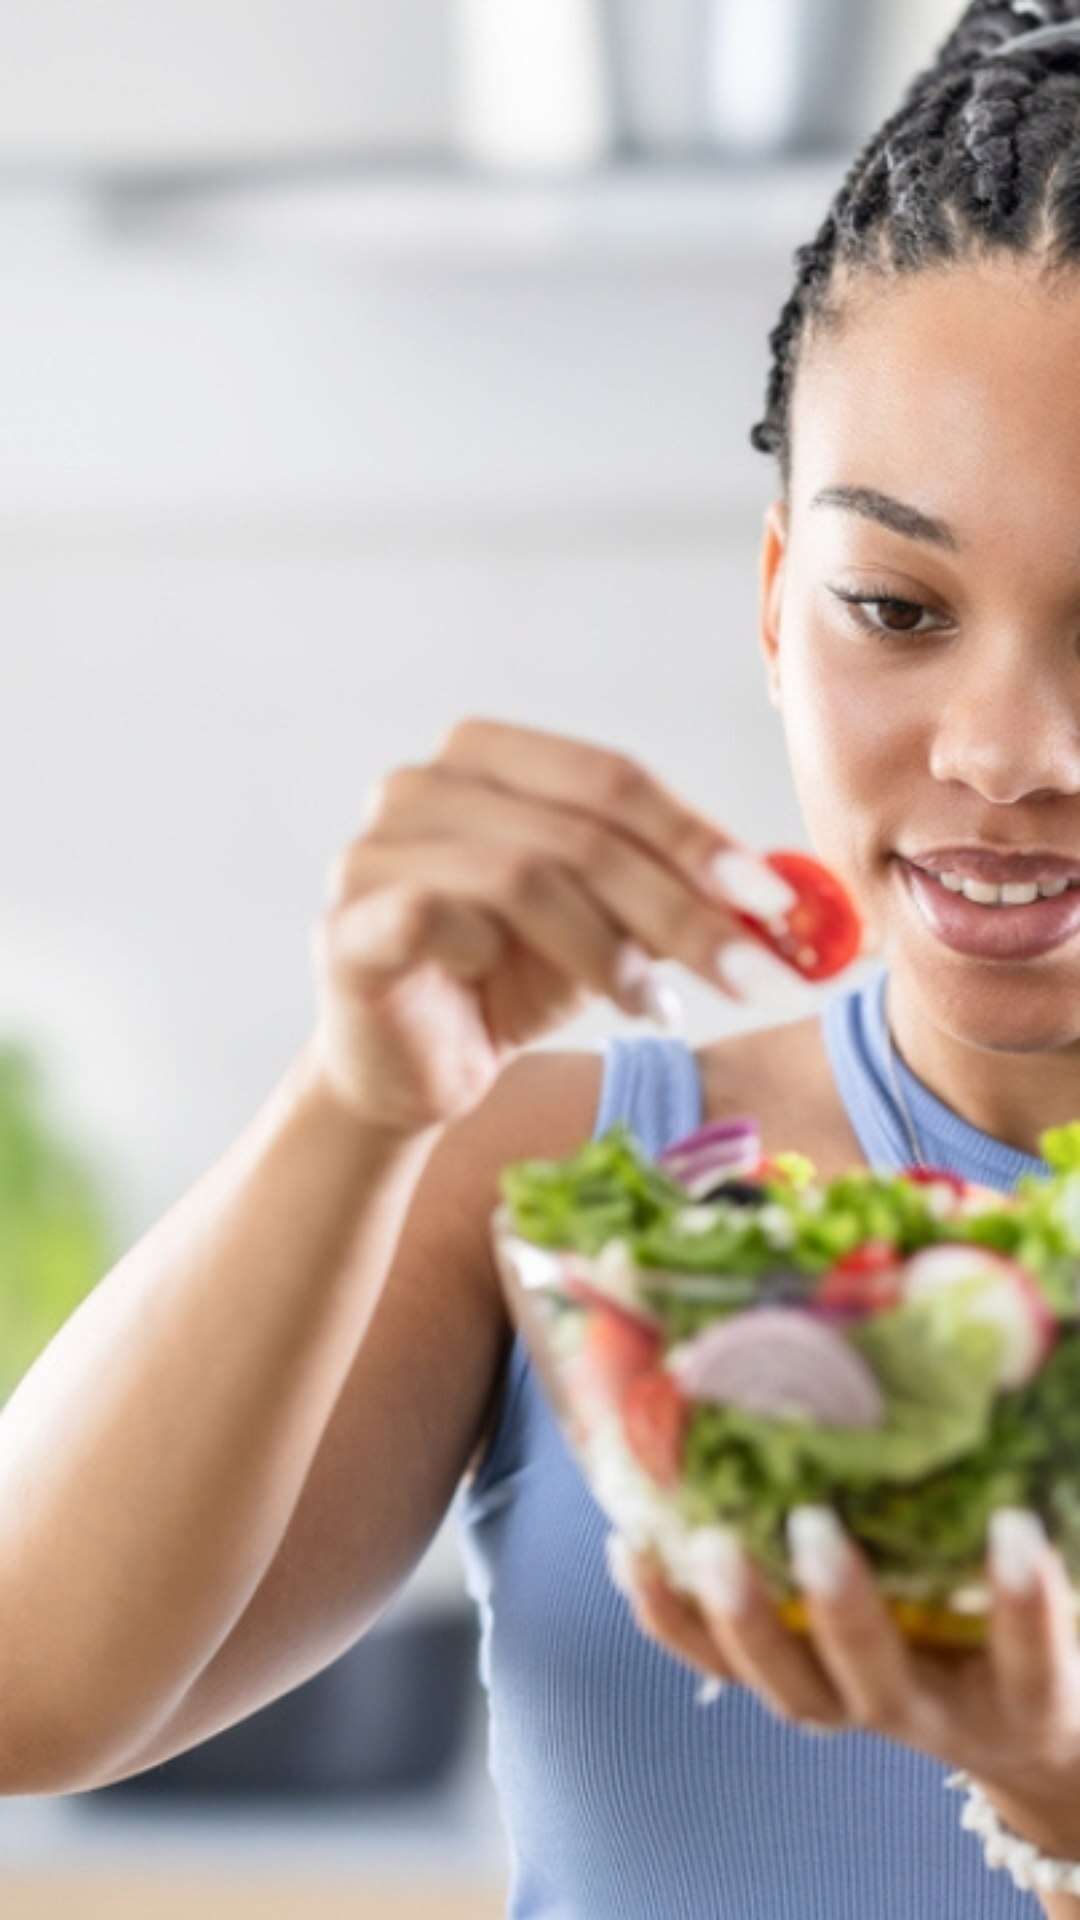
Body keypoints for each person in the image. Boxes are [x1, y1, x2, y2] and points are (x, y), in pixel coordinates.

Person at [6, 0, 1080, 1911]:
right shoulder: (580, 1187)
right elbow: (26, 1694)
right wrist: (356, 1109)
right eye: (896, 606)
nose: (1004, 754)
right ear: (776, 600)